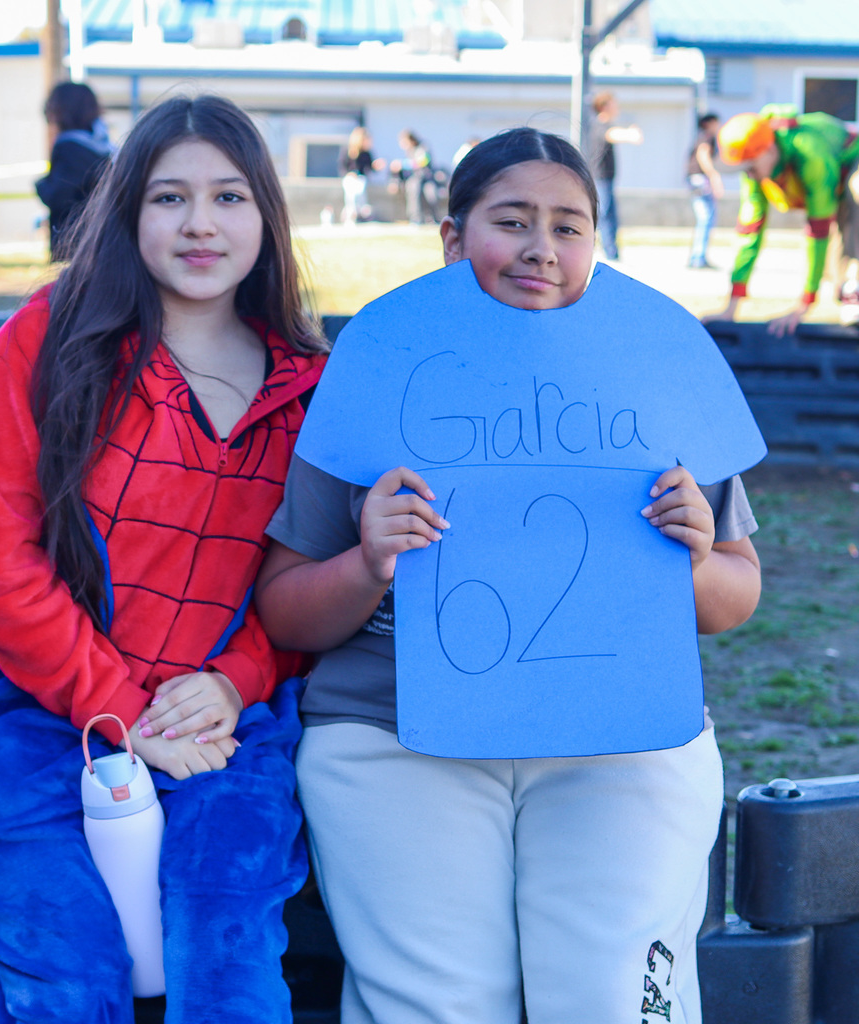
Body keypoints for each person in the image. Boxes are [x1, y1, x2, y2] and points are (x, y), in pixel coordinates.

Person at [254, 128, 762, 1024]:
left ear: (596, 243)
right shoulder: (380, 366)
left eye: (568, 227)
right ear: (452, 238)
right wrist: (368, 563)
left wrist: (690, 562)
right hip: (395, 732)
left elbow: (737, 595)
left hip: (620, 731)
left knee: (615, 999)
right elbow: (286, 612)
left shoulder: (653, 368)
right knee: (435, 1003)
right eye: (513, 221)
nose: (542, 249)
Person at [0, 94, 328, 1024]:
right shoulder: (53, 337)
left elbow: (303, 588)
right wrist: (122, 711)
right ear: (128, 210)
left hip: (218, 717)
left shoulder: (310, 387)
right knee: (68, 967)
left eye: (229, 197)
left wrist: (235, 682)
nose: (200, 224)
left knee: (229, 967)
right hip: (19, 706)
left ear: (267, 214)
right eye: (169, 198)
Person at [709, 106, 859, 335]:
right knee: (836, 264)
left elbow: (818, 229)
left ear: (769, 150)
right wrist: (731, 307)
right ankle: (848, 293)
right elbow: (750, 232)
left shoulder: (808, 152)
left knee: (856, 191)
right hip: (833, 178)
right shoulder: (755, 171)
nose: (749, 174)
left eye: (751, 167)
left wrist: (803, 305)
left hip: (851, 161)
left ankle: (854, 292)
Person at [36, 81, 115, 261]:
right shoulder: (103, 145)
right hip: (101, 240)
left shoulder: (69, 147)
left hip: (73, 244)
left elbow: (58, 196)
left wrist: (41, 185)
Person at [588, 91, 643, 260]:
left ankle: (612, 251)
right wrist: (630, 135)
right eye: (614, 104)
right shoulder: (600, 125)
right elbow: (612, 134)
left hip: (606, 178)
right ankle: (605, 251)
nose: (617, 107)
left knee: (609, 214)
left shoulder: (604, 125)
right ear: (604, 106)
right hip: (600, 177)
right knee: (603, 214)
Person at [687, 112, 724, 269]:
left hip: (695, 179)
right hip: (701, 180)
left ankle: (698, 256)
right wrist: (714, 177)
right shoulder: (707, 137)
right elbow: (703, 155)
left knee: (704, 218)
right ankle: (698, 257)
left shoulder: (701, 136)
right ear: (709, 124)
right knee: (706, 218)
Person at [390, 129, 439, 225]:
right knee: (413, 189)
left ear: (411, 140)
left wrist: (402, 164)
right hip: (415, 179)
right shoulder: (409, 151)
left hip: (427, 178)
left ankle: (432, 218)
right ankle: (415, 219)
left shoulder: (423, 147)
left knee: (431, 193)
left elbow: (422, 162)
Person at [338, 126, 384, 224]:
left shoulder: (366, 153)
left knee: (359, 189)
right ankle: (351, 213)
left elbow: (369, 167)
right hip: (349, 178)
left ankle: (359, 213)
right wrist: (349, 174)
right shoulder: (347, 150)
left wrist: (376, 166)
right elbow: (342, 167)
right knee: (351, 191)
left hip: (361, 178)